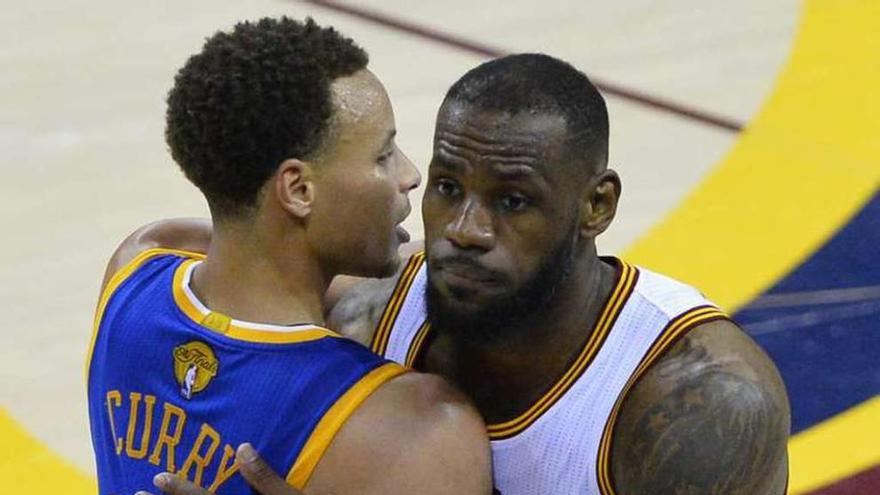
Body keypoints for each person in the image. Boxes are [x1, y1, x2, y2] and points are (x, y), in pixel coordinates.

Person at [140, 54, 791, 495]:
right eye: (448, 186)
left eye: (513, 201)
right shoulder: (369, 315)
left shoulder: (697, 406)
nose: (464, 230)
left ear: (597, 205)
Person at [87, 17, 491, 495]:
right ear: (298, 189)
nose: (408, 175)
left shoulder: (138, 266)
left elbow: (236, 244)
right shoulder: (414, 428)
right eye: (383, 156)